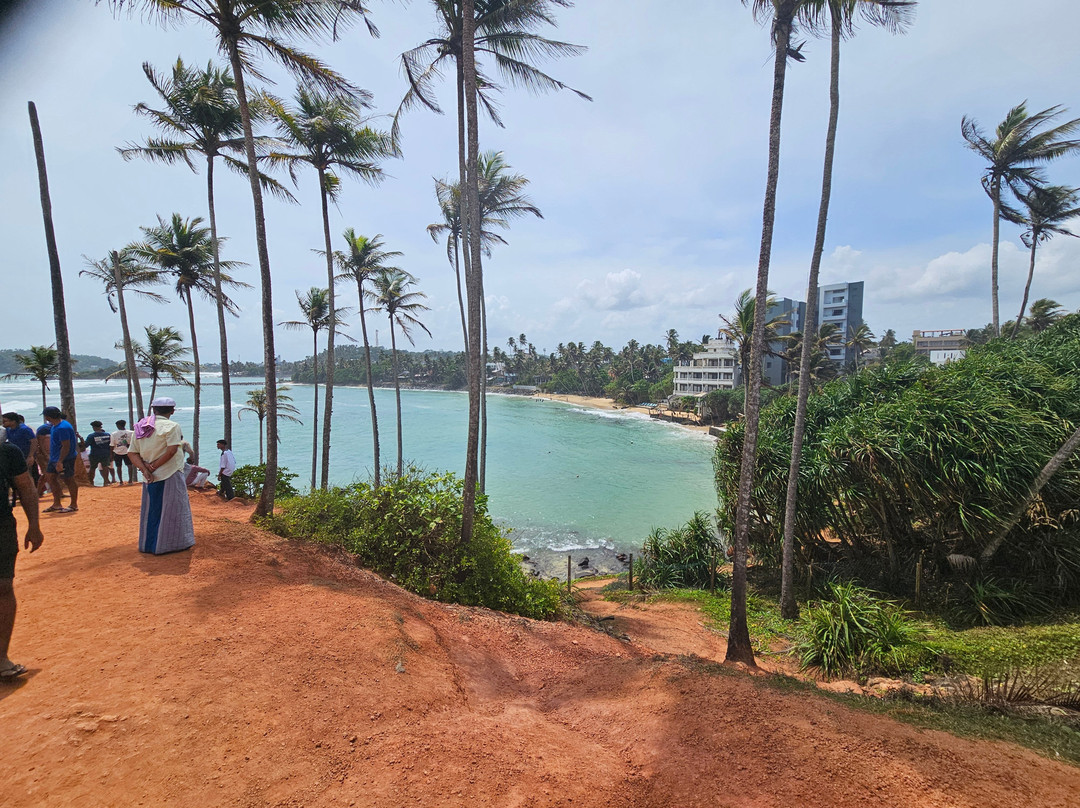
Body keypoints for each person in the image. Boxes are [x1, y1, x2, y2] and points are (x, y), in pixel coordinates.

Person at [0, 432, 44, 681]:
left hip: (1, 526)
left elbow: (25, 486)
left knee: (3, 586)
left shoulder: (7, 451)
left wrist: (34, 525)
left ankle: (1, 658)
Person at [128, 398, 194, 555]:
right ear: (172, 411)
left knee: (152, 509)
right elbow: (171, 451)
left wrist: (145, 470)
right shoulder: (172, 426)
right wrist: (154, 467)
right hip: (170, 473)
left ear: (154, 410)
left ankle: (148, 545)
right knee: (173, 509)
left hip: (149, 477)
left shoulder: (141, 426)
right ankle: (170, 545)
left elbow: (132, 453)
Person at [41, 406, 78, 514]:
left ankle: (73, 505)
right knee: (51, 478)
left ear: (48, 416)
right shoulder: (55, 426)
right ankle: (57, 504)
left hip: (65, 458)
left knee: (68, 480)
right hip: (55, 458)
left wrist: (60, 461)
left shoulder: (62, 428)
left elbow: (66, 446)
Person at [85, 420, 113, 486]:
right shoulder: (107, 435)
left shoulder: (91, 436)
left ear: (94, 427)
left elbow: (86, 445)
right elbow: (111, 445)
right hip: (105, 453)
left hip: (95, 454)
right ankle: (106, 482)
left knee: (93, 468)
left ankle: (91, 482)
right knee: (105, 467)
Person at [110, 419, 136, 485]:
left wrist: (111, 454)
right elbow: (134, 442)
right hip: (128, 451)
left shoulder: (114, 434)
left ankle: (121, 481)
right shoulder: (131, 433)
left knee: (118, 467)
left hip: (117, 452)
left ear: (118, 425)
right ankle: (130, 481)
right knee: (129, 465)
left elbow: (112, 445)